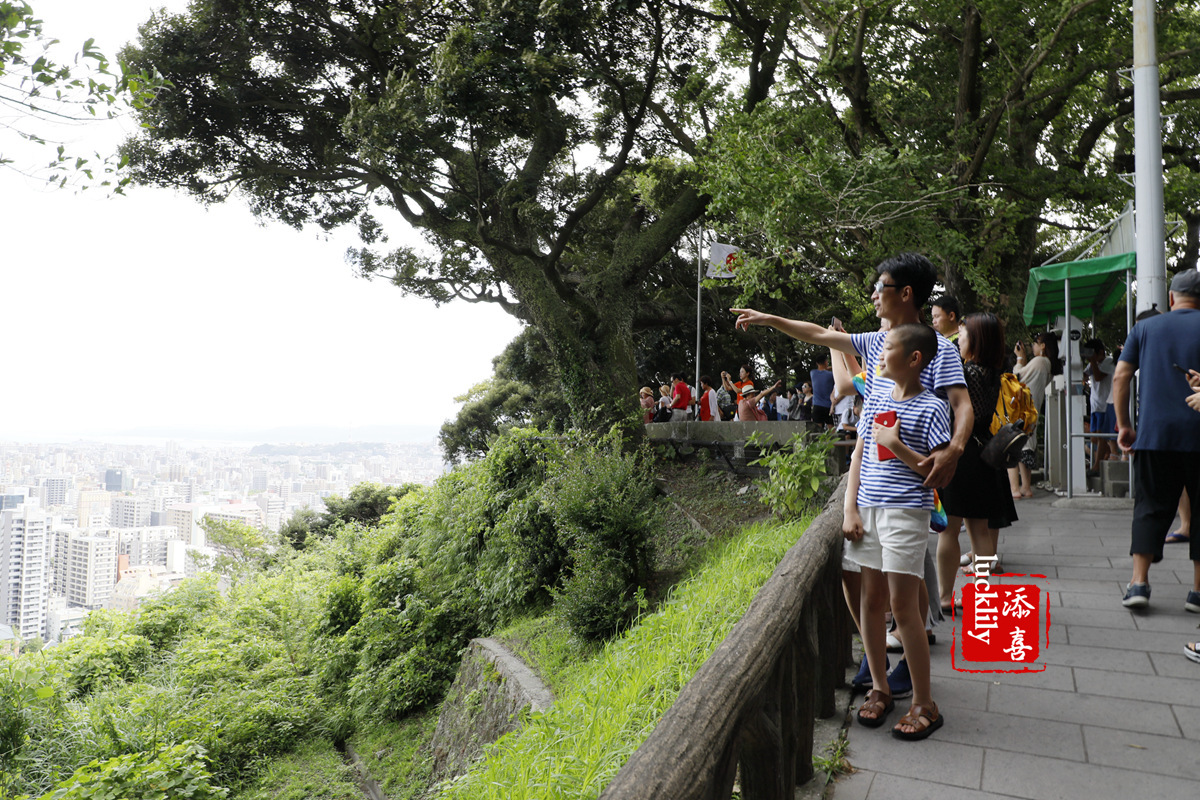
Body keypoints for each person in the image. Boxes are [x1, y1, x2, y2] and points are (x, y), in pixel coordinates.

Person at [732, 252, 972, 489]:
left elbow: (962, 405)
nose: (873, 295)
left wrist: (954, 449)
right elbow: (820, 334)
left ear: (906, 293)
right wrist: (769, 319)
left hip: (918, 482)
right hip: (875, 483)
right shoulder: (875, 341)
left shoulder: (941, 349)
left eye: (880, 286)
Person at [842, 323, 951, 740]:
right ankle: (880, 688)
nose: (878, 355)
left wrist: (898, 444)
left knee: (905, 609)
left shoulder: (932, 407)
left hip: (907, 513)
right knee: (872, 602)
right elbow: (860, 455)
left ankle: (925, 702)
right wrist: (850, 508)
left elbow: (936, 473)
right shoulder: (875, 398)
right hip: (868, 510)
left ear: (913, 359)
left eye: (886, 349)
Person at [1113, 270, 1200, 610]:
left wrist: (1124, 425)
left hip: (1155, 434)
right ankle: (1196, 592)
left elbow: (1121, 375)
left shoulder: (1146, 328)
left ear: (1172, 299)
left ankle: (1138, 584)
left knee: (1149, 507)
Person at [935, 313, 1018, 608]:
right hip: (985, 454)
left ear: (976, 341)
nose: (959, 339)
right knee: (979, 530)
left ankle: (945, 597)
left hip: (962, 453)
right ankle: (982, 592)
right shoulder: (996, 374)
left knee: (950, 528)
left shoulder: (966, 374)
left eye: (964, 335)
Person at [1008, 331, 1060, 498]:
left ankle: (1015, 489)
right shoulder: (1048, 364)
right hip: (1032, 410)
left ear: (1043, 346)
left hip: (1020, 410)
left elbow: (1016, 378)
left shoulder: (1039, 361)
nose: (1033, 347)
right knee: (1026, 449)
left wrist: (1020, 359)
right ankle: (1026, 487)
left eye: (1036, 343)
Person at [1083, 338, 1115, 473]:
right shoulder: (1092, 364)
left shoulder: (1109, 361)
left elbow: (1098, 376)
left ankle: (1097, 466)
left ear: (1100, 352)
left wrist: (1092, 362)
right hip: (1095, 405)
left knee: (1101, 436)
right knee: (1094, 438)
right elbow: (1083, 376)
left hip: (1104, 404)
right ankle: (1108, 453)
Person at [810, 354, 836, 428]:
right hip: (828, 405)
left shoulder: (812, 373)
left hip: (817, 405)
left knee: (818, 430)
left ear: (817, 363)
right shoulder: (831, 375)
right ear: (826, 362)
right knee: (831, 428)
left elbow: (822, 370)